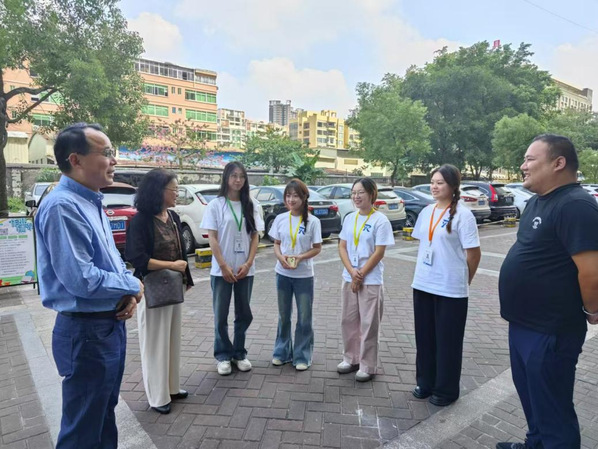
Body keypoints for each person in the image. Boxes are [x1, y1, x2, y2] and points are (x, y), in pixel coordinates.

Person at [35, 123, 143, 449]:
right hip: (86, 333)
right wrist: (132, 284)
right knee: (83, 428)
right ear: (76, 160)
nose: (114, 160)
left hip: (107, 326)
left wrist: (128, 293)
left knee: (102, 414)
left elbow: (110, 262)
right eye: (107, 153)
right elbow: (82, 279)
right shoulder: (63, 206)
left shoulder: (91, 201)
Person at [497, 135, 598, 449]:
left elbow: (591, 272)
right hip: (522, 324)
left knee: (553, 409)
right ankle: (535, 443)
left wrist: (592, 309)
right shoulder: (537, 202)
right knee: (532, 398)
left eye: (530, 159)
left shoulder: (576, 205)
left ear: (558, 163)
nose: (523, 166)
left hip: (550, 330)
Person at [410, 164, 481, 407]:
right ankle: (425, 382)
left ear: (452, 186)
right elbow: (425, 244)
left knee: (447, 341)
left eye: (440, 182)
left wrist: (464, 279)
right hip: (423, 283)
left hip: (450, 289)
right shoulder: (426, 212)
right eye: (432, 182)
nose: (434, 186)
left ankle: (445, 389)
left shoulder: (463, 215)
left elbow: (474, 253)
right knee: (425, 338)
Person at [125, 169, 194, 414]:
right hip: (153, 288)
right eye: (174, 189)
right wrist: (171, 266)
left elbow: (181, 252)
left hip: (174, 287)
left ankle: (171, 388)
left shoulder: (172, 216)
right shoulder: (141, 220)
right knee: (155, 343)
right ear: (159, 191)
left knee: (172, 340)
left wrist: (186, 277)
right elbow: (137, 258)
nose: (177, 194)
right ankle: (157, 396)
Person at [200, 161, 265, 376]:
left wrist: (248, 263)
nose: (238, 180)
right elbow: (212, 238)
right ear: (226, 178)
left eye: (242, 176)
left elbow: (255, 236)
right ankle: (222, 355)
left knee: (243, 313)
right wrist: (223, 266)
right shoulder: (216, 205)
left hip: (245, 270)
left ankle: (239, 353)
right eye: (234, 176)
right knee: (221, 315)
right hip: (222, 271)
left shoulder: (251, 204)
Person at [337, 178, 395, 382]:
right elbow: (342, 246)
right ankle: (350, 358)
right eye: (353, 192)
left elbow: (379, 252)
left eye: (360, 192)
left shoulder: (380, 220)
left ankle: (367, 365)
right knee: (348, 320)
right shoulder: (350, 218)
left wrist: (360, 274)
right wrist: (352, 272)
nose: (356, 196)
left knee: (369, 324)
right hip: (349, 276)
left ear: (372, 194)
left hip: (370, 279)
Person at [270, 179, 323, 370]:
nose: (291, 200)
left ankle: (302, 355)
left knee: (304, 316)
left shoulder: (313, 221)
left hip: (303, 276)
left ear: (304, 198)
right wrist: (280, 257)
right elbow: (276, 243)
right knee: (284, 315)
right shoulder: (280, 219)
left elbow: (317, 248)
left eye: (295, 196)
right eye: (288, 195)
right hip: (282, 273)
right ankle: (282, 352)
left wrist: (300, 257)